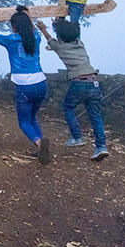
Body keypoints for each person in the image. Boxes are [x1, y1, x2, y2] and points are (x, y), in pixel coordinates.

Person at [36, 19, 108, 161]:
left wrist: (43, 28)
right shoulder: (80, 44)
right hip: (94, 82)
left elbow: (49, 38)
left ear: (60, 37)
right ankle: (101, 147)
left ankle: (77, 137)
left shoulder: (60, 47)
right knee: (96, 116)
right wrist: (60, 24)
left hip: (79, 83)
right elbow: (68, 34)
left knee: (68, 107)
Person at [0, 6, 51, 164]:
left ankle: (39, 143)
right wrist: (26, 13)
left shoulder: (11, 40)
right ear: (29, 25)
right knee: (32, 118)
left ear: (14, 27)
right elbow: (31, 27)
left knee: (24, 122)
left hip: (24, 86)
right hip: (41, 83)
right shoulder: (36, 38)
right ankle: (41, 148)